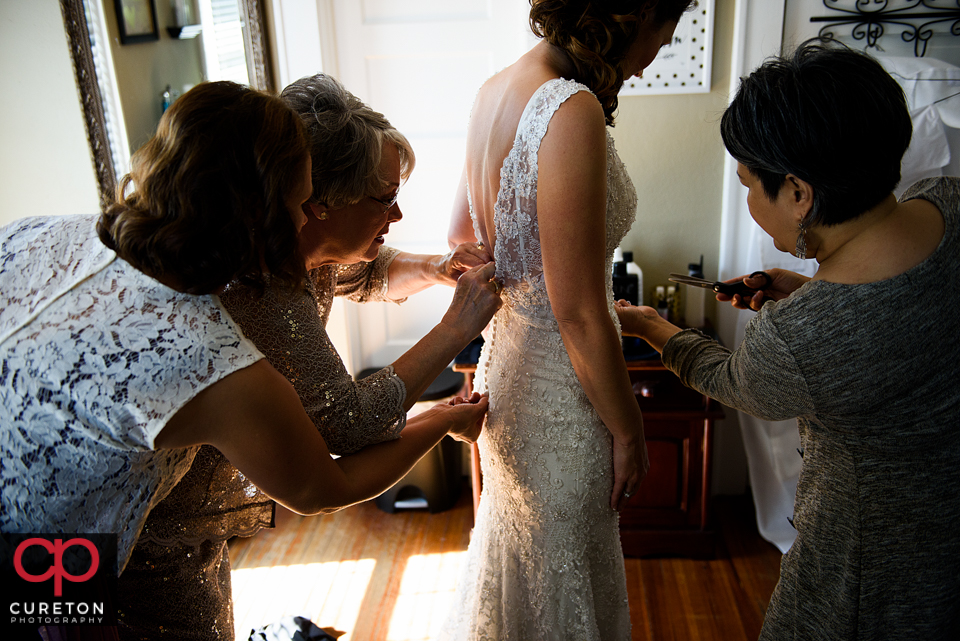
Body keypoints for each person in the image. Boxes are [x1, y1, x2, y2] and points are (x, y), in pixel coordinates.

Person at [0, 80, 500, 633]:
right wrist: (444, 410)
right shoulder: (210, 356)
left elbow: (346, 269)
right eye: (298, 205)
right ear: (258, 214)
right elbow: (320, 487)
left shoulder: (33, 234)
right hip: (62, 571)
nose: (306, 221)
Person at [616, 40, 960, 639]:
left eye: (750, 184)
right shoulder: (950, 206)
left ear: (799, 193)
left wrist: (651, 325)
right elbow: (892, 319)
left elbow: (734, 383)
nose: (750, 200)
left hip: (866, 567)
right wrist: (809, 293)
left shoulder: (799, 336)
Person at [440, 1, 695, 638]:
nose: (659, 52)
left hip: (508, 377)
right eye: (667, 32)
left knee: (528, 572)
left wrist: (528, 283)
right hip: (562, 399)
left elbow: (460, 239)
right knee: (564, 580)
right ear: (633, 14)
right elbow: (579, 313)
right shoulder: (569, 107)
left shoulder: (494, 89)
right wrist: (630, 431)